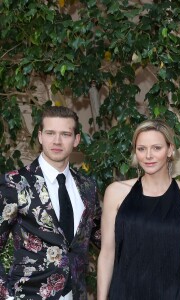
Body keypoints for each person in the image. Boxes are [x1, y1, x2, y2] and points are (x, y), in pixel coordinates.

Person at [97, 119, 180, 300]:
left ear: (170, 150)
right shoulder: (116, 193)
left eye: (156, 148)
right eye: (141, 149)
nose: (148, 155)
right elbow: (107, 253)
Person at [0, 106, 101, 299]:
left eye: (65, 134)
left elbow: (102, 237)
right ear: (40, 136)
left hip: (76, 293)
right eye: (50, 133)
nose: (57, 141)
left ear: (76, 140)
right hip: (28, 294)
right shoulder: (15, 184)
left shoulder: (88, 186)